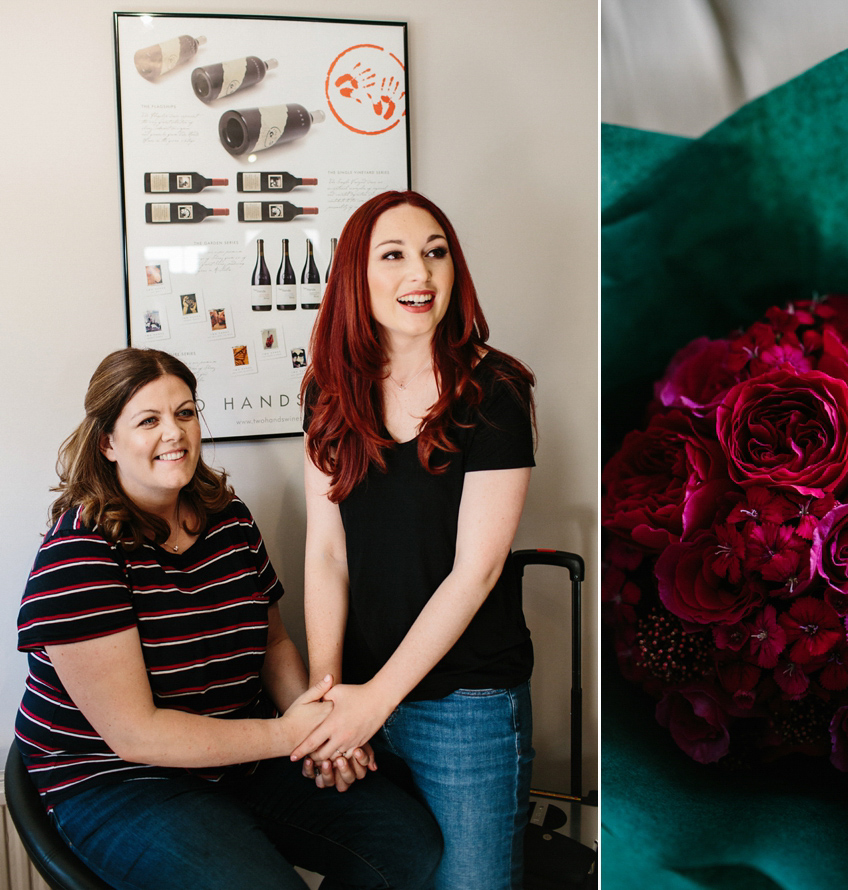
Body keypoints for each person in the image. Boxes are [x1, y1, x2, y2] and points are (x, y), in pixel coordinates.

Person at [14, 348, 441, 890]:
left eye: (185, 412)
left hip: (242, 755)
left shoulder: (228, 518)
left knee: (407, 843)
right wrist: (288, 733)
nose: (174, 433)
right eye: (149, 420)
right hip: (120, 780)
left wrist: (323, 733)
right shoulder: (79, 555)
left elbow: (275, 643)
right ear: (108, 442)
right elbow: (138, 737)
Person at [297, 190, 537, 890]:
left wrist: (373, 703)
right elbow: (326, 550)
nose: (421, 274)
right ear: (355, 275)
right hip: (360, 692)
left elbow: (477, 571)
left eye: (435, 253)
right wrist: (328, 696)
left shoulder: (494, 389)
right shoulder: (326, 390)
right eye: (394, 255)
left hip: (466, 705)